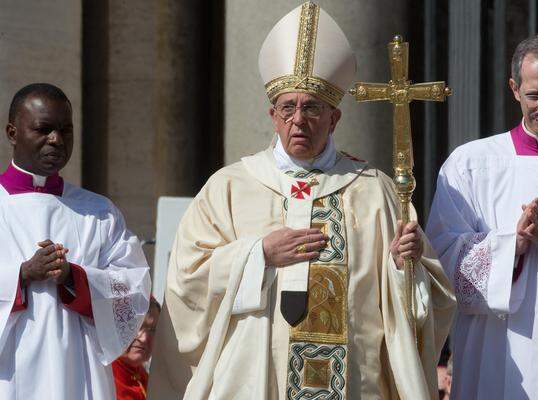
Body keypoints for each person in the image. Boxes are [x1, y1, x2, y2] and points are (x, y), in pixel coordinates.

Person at [148, 2, 455, 399]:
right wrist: (257, 254)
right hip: (256, 380)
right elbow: (186, 279)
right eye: (288, 108)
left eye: (312, 107)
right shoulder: (230, 186)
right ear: (272, 115)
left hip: (354, 381)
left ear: (334, 119)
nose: (299, 120)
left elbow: (426, 299)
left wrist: (403, 267)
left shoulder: (373, 190)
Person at [426, 32, 538, 398]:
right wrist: (512, 246)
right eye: (533, 95)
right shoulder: (470, 164)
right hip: (493, 347)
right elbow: (438, 260)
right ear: (514, 89)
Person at [0, 83, 151, 399]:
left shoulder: (98, 212)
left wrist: (75, 278)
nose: (56, 140)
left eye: (65, 130)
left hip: (80, 373)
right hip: (10, 375)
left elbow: (134, 289)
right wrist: (22, 274)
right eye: (43, 129)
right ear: (12, 133)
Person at [112, 297, 161, 400]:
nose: (144, 338)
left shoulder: (145, 376)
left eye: (152, 330)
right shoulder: (103, 376)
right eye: (136, 326)